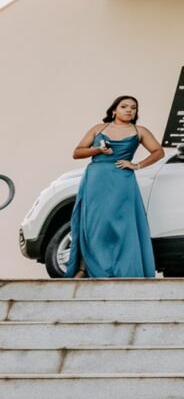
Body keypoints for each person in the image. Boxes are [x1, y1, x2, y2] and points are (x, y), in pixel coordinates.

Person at [67, 96, 164, 278]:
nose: (129, 110)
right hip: (96, 179)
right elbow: (77, 153)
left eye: (133, 108)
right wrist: (97, 150)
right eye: (124, 106)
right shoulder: (99, 128)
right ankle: (84, 268)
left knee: (122, 224)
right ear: (114, 110)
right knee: (94, 224)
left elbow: (159, 152)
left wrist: (137, 165)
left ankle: (124, 269)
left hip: (122, 180)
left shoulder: (139, 131)